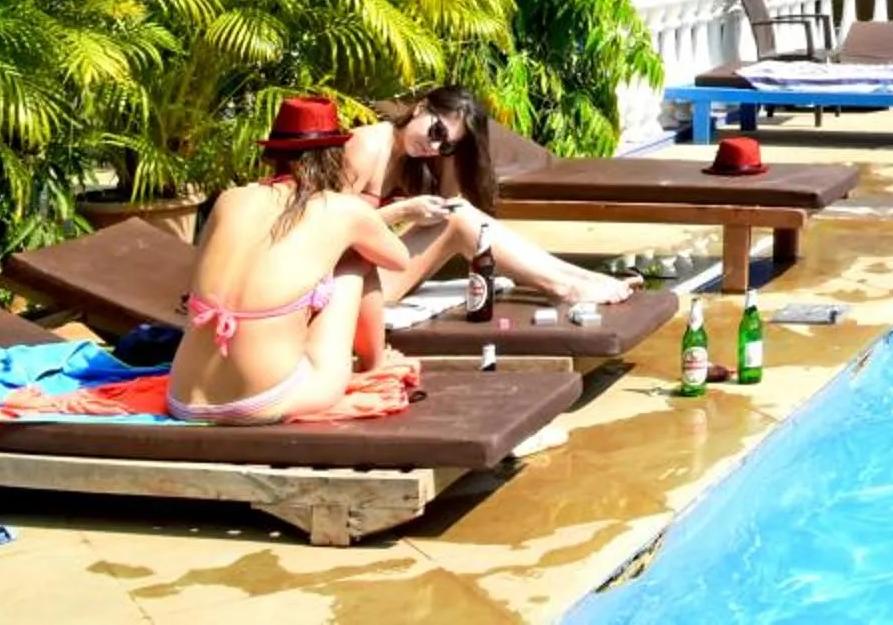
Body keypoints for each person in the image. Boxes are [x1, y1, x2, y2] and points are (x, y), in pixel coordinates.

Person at [168, 96, 414, 424]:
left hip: (183, 397)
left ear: (273, 155)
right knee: (356, 260)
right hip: (261, 401)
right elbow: (400, 260)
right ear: (334, 156)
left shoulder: (230, 199)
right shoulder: (342, 210)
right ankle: (375, 364)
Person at [338, 84, 635, 307]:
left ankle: (577, 278)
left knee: (458, 211)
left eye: (446, 144)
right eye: (437, 131)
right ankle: (562, 286)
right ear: (420, 108)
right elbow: (327, 229)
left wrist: (453, 153)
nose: (435, 145)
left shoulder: (412, 160)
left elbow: (449, 203)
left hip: (370, 276)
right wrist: (402, 212)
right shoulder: (366, 145)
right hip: (343, 291)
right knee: (459, 218)